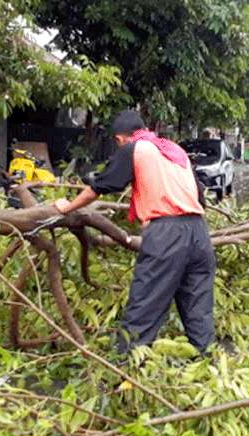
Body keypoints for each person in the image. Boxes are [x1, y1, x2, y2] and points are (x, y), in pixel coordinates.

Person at [54, 110, 216, 353]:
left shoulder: (136, 148)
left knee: (144, 307)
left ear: (120, 139)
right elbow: (199, 198)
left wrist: (68, 206)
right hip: (199, 233)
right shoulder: (173, 150)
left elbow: (101, 186)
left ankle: (127, 372)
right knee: (198, 308)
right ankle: (207, 365)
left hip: (166, 235)